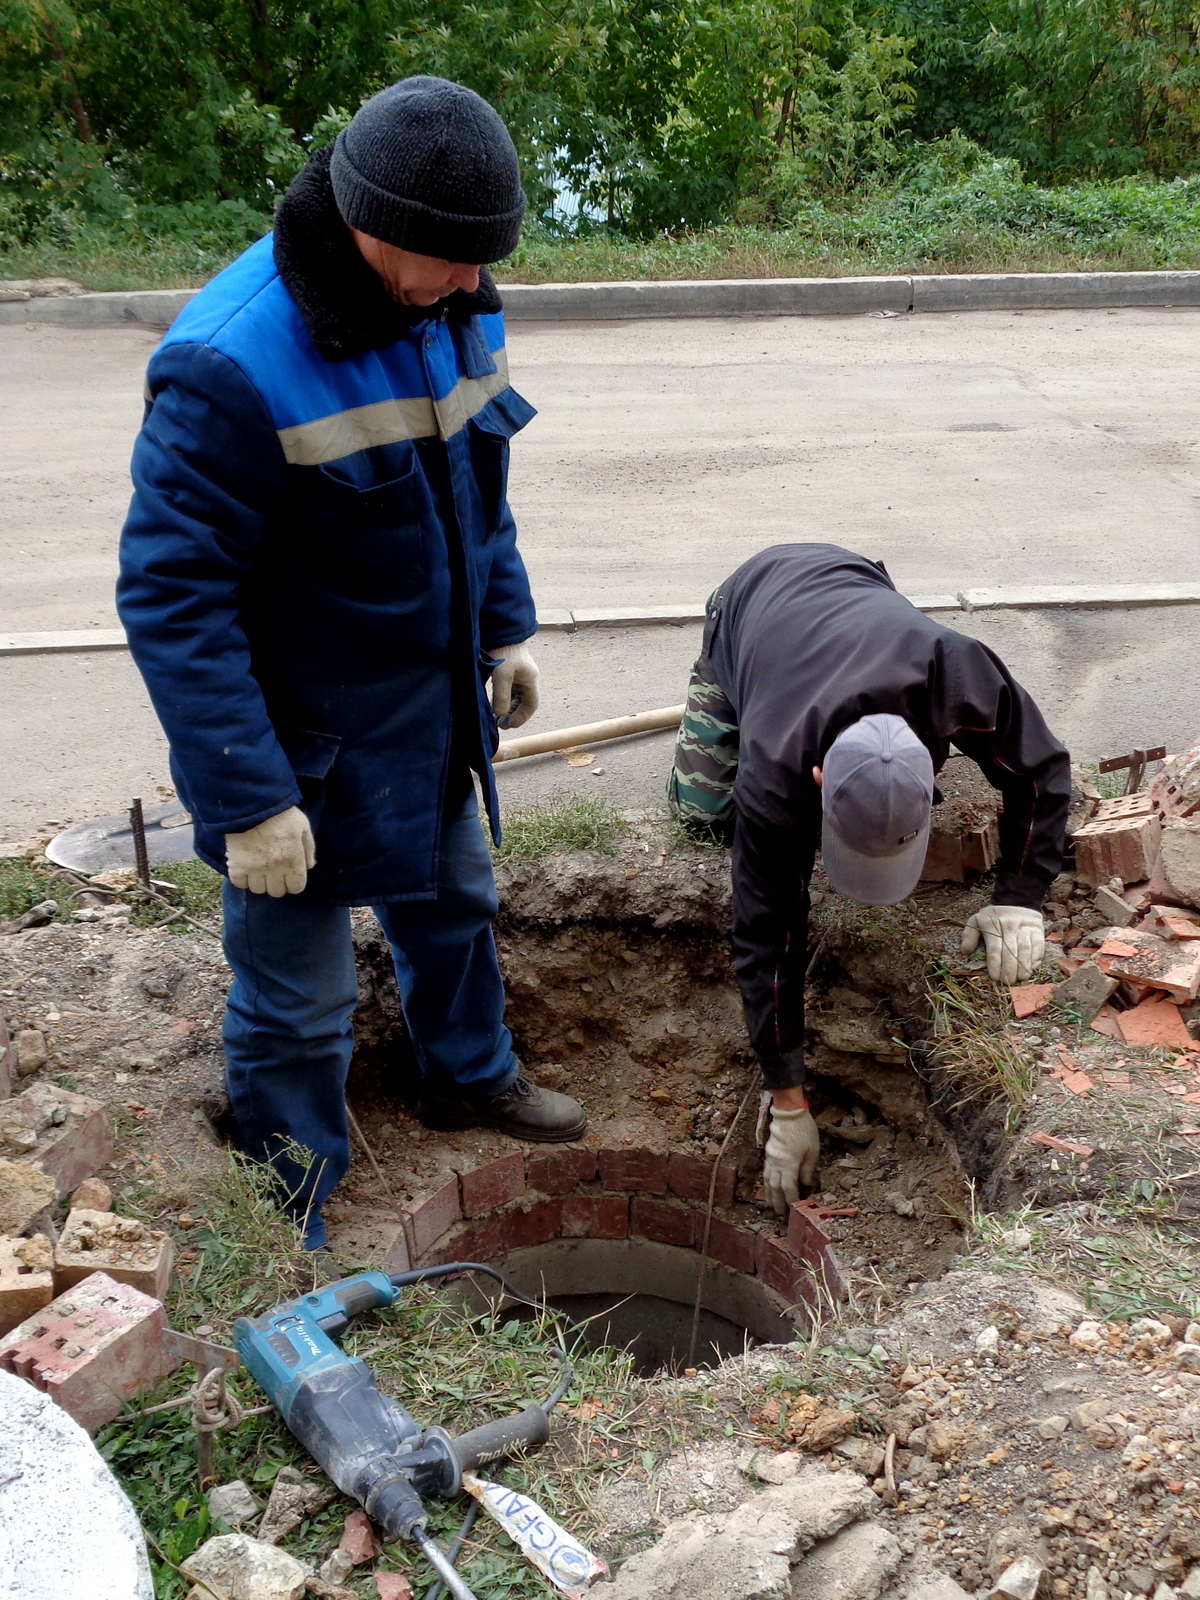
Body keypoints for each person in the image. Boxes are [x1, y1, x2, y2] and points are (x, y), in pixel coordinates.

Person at [117, 76, 586, 1250]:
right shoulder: (231, 364)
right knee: (299, 1003)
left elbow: (478, 483)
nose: (475, 289)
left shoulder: (458, 293)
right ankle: (293, 1209)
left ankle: (468, 1075)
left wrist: (505, 622)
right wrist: (247, 795)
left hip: (426, 708)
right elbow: (171, 594)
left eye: (483, 266)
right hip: (301, 746)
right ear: (377, 230)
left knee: (458, 904)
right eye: (452, 265)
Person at [668, 543, 1070, 1215]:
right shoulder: (776, 765)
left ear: (934, 760)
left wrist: (1020, 899)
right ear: (818, 781)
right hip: (750, 606)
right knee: (705, 816)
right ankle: (712, 682)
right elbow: (767, 934)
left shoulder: (960, 673)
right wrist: (787, 1098)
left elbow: (1042, 773)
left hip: (851, 580)